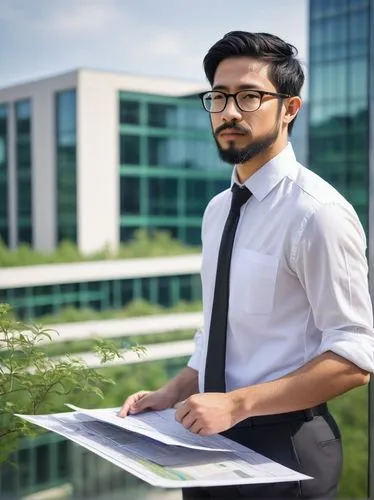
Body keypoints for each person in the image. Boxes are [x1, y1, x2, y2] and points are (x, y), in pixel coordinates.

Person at [120, 31, 374, 499]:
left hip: (286, 453)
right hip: (205, 441)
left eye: (250, 96)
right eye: (219, 97)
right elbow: (224, 333)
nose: (230, 112)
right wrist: (172, 392)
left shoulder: (317, 214)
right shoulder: (218, 209)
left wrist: (236, 405)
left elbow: (354, 358)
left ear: (290, 108)